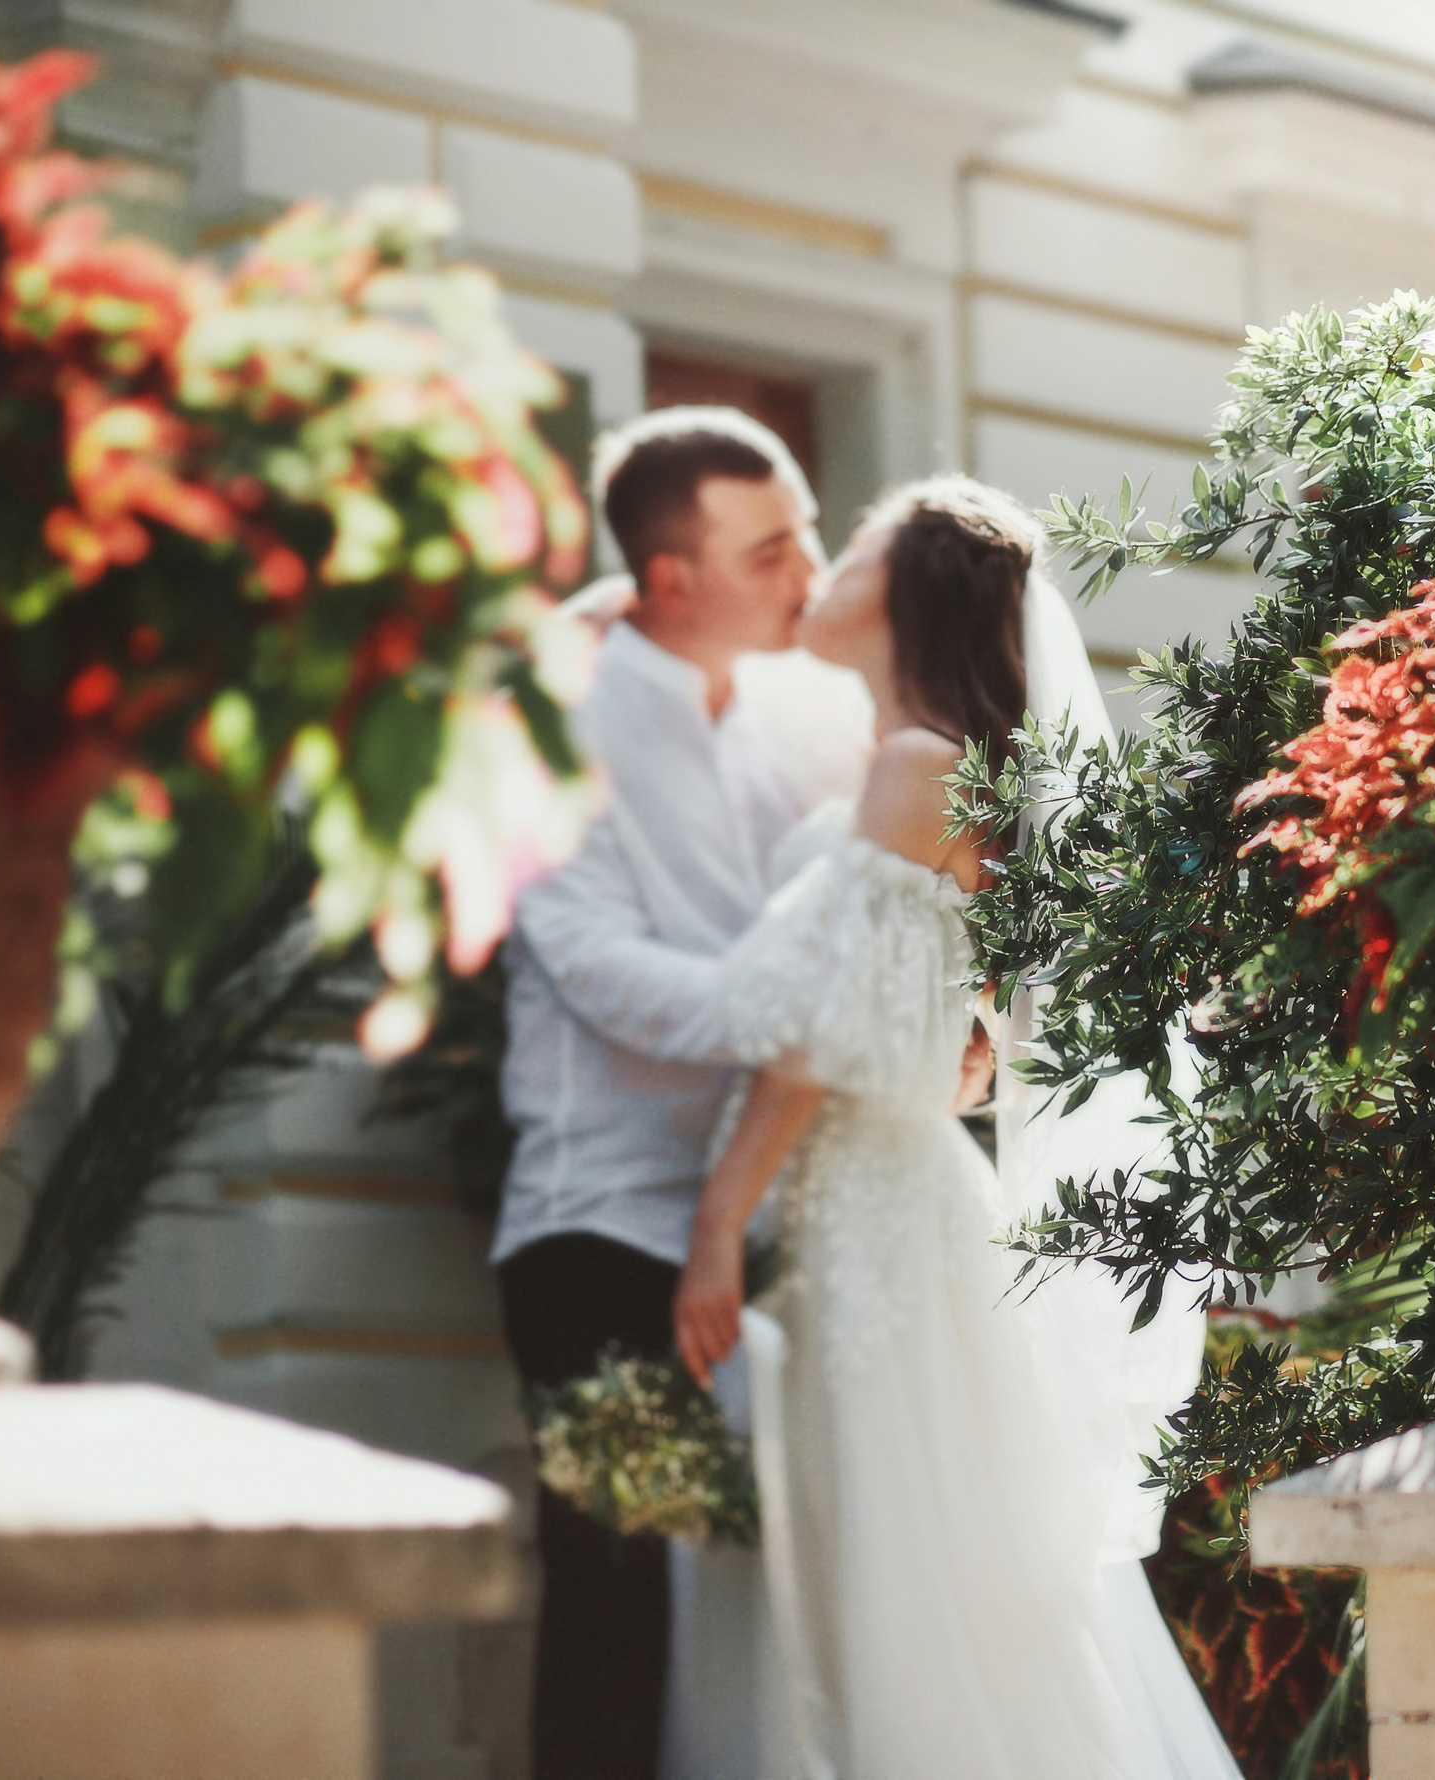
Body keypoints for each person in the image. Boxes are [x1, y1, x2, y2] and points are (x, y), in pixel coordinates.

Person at [644, 477, 1242, 1780]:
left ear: (909, 585)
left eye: (851, 541)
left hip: (879, 1219)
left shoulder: (918, 771)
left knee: (897, 1593)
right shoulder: (914, 768)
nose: (825, 561)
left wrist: (712, 1227)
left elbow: (809, 1041)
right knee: (897, 1579)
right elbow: (928, 1004)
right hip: (882, 1206)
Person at [488, 407, 871, 1780]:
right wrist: (818, 1013)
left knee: (759, 1619)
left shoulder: (796, 709)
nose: (810, 570)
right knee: (618, 1598)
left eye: (813, 534)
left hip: (771, 1224)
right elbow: (606, 973)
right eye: (774, 547)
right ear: (669, 583)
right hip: (594, 1233)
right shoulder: (549, 732)